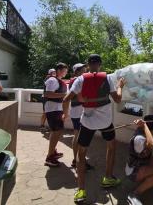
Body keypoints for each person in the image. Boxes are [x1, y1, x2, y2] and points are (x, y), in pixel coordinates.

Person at [64, 54, 125, 203]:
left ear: (88, 64)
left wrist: (65, 114)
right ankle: (108, 178)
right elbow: (117, 99)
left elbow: (66, 99)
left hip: (87, 123)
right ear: (100, 64)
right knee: (111, 146)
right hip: (105, 122)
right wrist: (119, 87)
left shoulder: (80, 79)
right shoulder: (108, 79)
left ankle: (81, 191)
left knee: (81, 153)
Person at [126, 115, 153, 205]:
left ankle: (150, 180)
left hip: (142, 163)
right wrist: (145, 125)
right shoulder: (140, 139)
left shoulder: (142, 131)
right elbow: (152, 144)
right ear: (152, 129)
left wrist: (144, 125)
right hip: (134, 171)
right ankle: (135, 193)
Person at [64, 63, 94, 170]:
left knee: (77, 136)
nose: (85, 69)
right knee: (79, 137)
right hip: (78, 112)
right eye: (83, 68)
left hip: (75, 111)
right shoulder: (78, 80)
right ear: (77, 71)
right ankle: (78, 161)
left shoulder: (74, 80)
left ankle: (76, 160)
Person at [43, 63, 68, 167]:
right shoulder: (52, 80)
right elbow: (48, 94)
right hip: (52, 109)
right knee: (56, 131)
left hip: (57, 109)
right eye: (64, 70)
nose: (66, 72)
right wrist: (65, 95)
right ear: (58, 70)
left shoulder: (59, 81)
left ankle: (53, 151)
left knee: (58, 131)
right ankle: (49, 157)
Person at [40, 68, 56, 133]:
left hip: (49, 98)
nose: (55, 73)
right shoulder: (49, 78)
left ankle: (47, 126)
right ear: (50, 73)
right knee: (45, 113)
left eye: (55, 72)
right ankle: (42, 126)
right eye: (53, 72)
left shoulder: (52, 78)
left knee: (48, 113)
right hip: (46, 98)